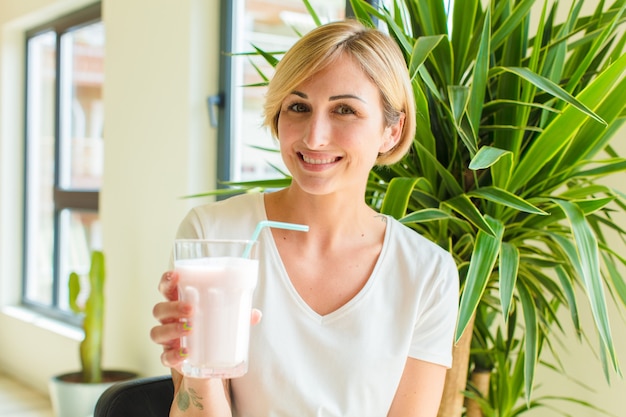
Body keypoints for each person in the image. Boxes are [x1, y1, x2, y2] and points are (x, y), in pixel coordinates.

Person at [151, 19, 459, 417]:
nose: (314, 137)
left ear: (391, 132)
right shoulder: (214, 236)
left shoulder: (426, 272)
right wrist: (198, 370)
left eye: (344, 110)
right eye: (298, 107)